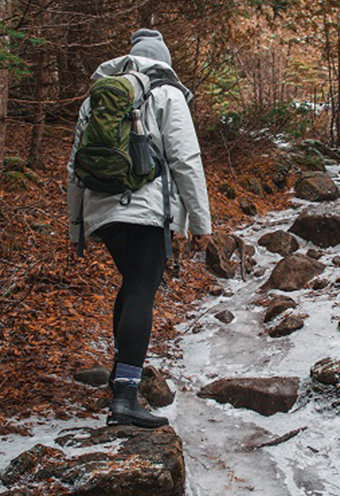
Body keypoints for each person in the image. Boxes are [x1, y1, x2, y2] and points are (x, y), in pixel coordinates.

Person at [67, 29, 211, 428]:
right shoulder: (167, 94)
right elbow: (186, 159)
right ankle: (126, 397)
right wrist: (201, 223)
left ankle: (120, 378)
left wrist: (76, 226)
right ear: (163, 60)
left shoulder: (96, 98)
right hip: (147, 211)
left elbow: (75, 166)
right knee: (141, 290)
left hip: (103, 211)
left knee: (133, 285)